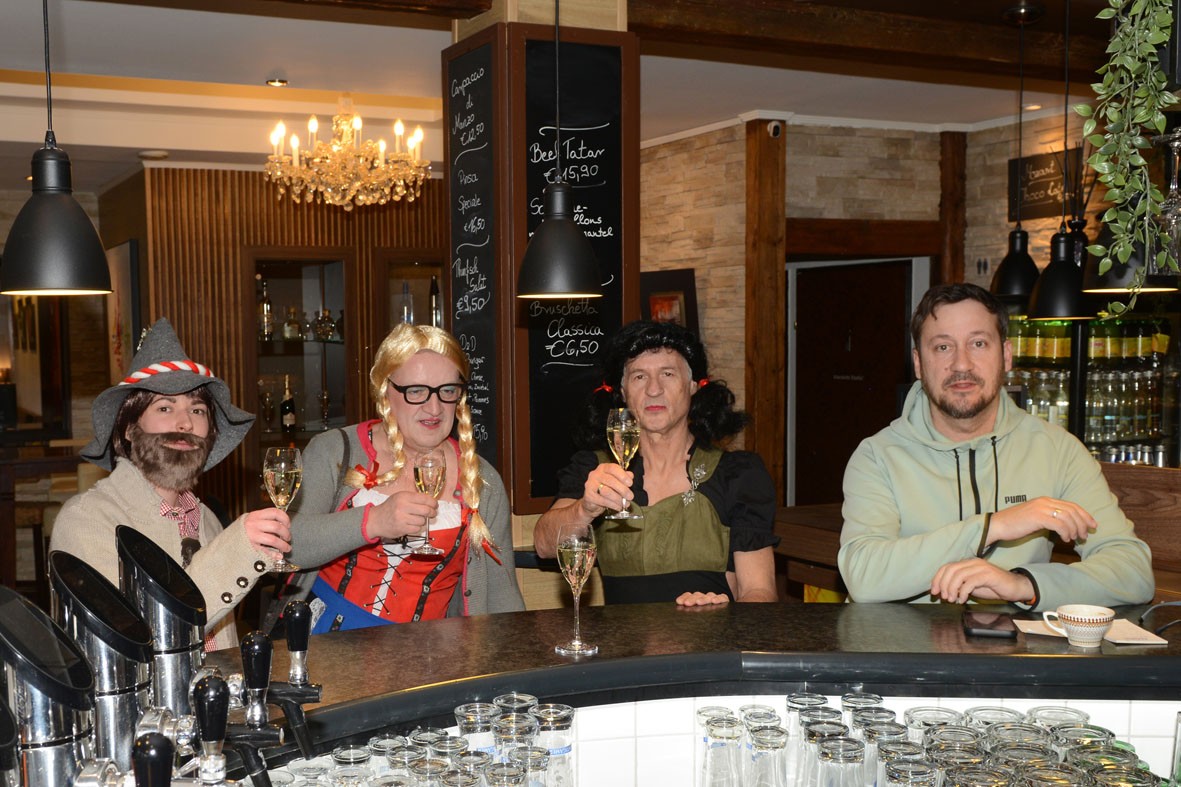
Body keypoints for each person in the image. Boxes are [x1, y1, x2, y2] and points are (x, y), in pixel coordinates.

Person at [839, 283, 1154, 610]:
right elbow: (863, 576)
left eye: (978, 343)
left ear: (1005, 355)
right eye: (943, 347)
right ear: (919, 363)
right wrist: (993, 527)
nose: (962, 364)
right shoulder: (878, 456)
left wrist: (1023, 585)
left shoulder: (1057, 450)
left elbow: (1133, 572)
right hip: (904, 642)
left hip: (1016, 641)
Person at [51, 318, 291, 650]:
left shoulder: (207, 519)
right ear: (129, 428)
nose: (185, 423)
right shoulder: (86, 519)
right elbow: (133, 640)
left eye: (198, 410)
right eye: (165, 407)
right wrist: (237, 549)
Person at [286, 323, 523, 633]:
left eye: (447, 391)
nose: (434, 407)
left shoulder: (482, 482)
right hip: (328, 640)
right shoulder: (334, 450)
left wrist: (516, 658)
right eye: (416, 391)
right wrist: (373, 522)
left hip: (428, 649)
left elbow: (502, 596)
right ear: (386, 391)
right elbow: (291, 545)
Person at [534, 320, 779, 606]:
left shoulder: (736, 474)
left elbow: (761, 593)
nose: (654, 389)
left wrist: (725, 612)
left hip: (710, 634)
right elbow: (544, 545)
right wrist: (585, 509)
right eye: (639, 376)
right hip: (622, 636)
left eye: (667, 374)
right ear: (623, 391)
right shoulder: (596, 469)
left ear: (693, 386)